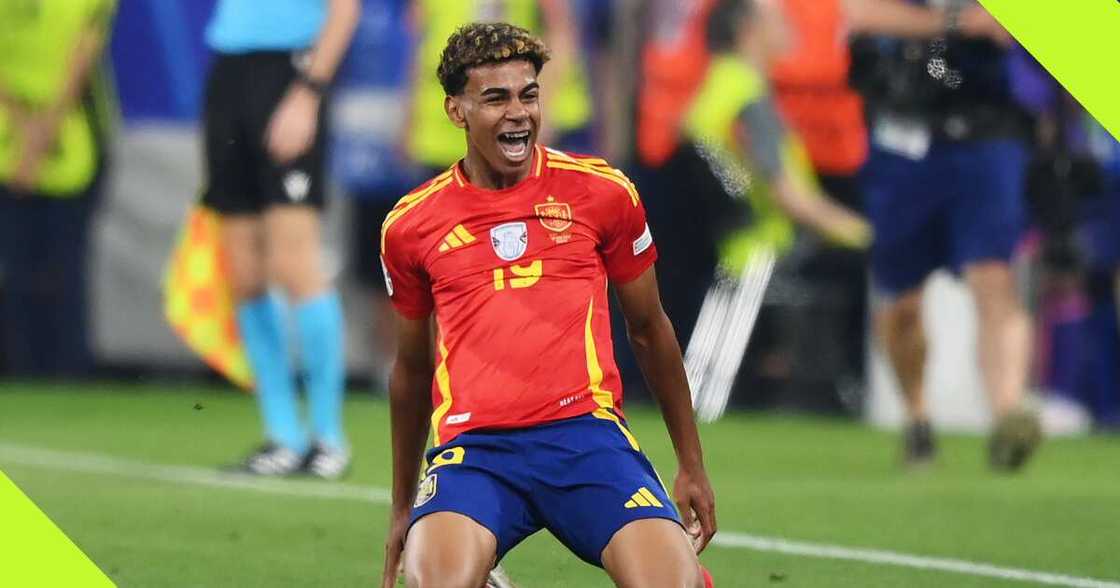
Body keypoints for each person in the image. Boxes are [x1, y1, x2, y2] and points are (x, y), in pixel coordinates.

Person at [380, 23, 716, 588]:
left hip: (586, 438)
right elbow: (412, 370)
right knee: (432, 582)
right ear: (457, 111)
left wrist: (692, 462)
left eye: (528, 94)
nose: (518, 113)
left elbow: (649, 328)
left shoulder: (602, 192)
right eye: (496, 98)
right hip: (475, 450)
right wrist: (400, 509)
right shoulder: (411, 225)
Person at [851, 0, 1041, 470]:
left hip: (986, 133)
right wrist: (954, 23)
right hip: (904, 138)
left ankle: (1008, 415)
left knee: (994, 276)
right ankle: (917, 418)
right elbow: (857, 14)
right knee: (901, 304)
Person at [201, 0, 360, 478]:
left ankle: (329, 438)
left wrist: (308, 93)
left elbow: (345, 11)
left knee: (295, 263)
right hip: (229, 71)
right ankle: (284, 436)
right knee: (245, 271)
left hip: (290, 72)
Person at [0, 0, 117, 378]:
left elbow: (84, 54)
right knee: (16, 268)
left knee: (63, 267)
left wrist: (39, 133)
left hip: (75, 138)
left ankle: (67, 374)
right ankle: (21, 372)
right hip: (11, 139)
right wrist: (23, 125)